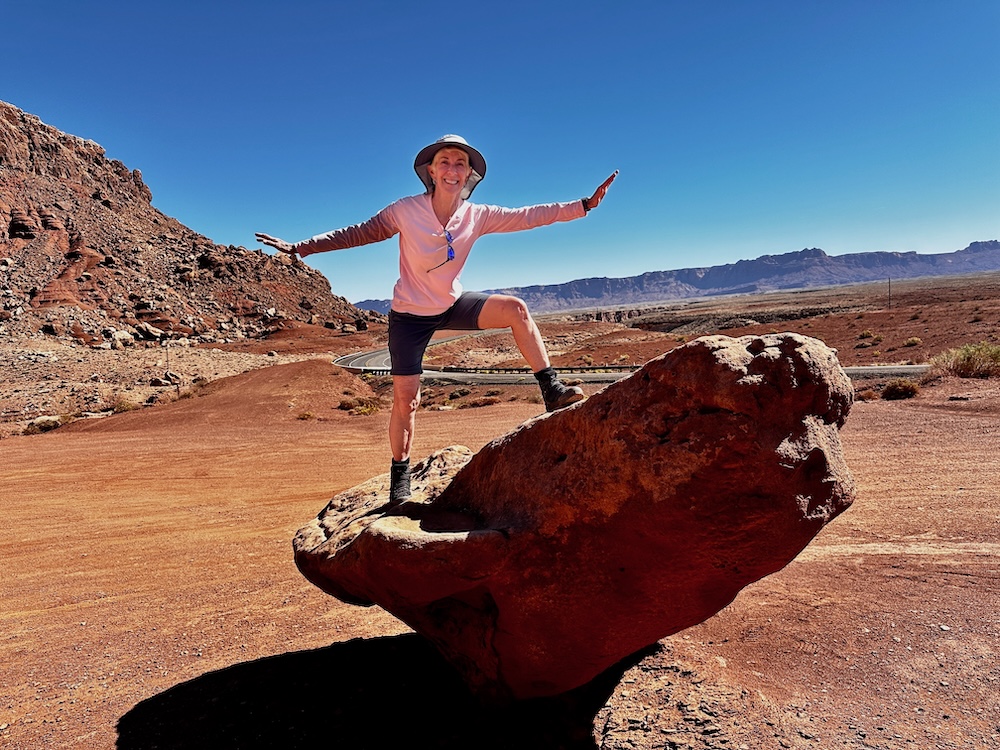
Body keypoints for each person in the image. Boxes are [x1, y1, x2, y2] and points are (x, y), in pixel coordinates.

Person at [256, 134, 617, 505]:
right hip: (409, 318)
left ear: (469, 174)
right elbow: (358, 233)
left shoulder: (477, 216)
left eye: (460, 163)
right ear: (430, 170)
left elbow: (528, 216)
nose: (452, 169)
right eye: (445, 161)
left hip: (451, 305)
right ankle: (400, 475)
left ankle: (551, 390)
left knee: (516, 309)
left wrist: (583, 206)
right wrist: (303, 246)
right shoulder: (405, 210)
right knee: (406, 400)